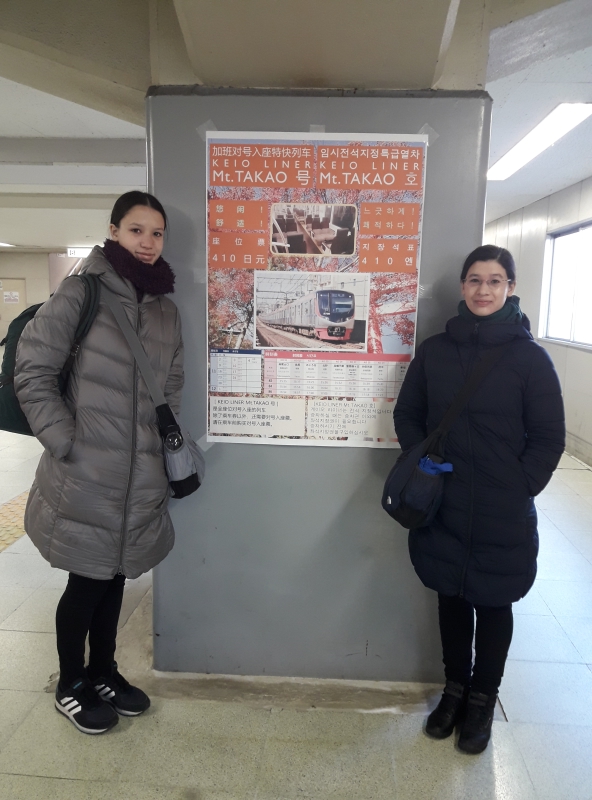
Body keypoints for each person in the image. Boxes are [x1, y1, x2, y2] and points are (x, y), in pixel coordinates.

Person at [14, 191, 183, 735]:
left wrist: (161, 449)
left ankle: (103, 672)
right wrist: (66, 441)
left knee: (116, 577)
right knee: (86, 581)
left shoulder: (165, 309)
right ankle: (71, 684)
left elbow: (171, 387)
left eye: (157, 233)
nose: (148, 242)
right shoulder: (81, 291)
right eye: (136, 230)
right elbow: (31, 371)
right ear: (113, 231)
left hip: (140, 474)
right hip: (86, 471)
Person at [393, 245, 565, 754]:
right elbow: (408, 413)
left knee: (493, 602)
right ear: (462, 286)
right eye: (474, 279)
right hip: (442, 499)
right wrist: (423, 463)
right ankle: (454, 690)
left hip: (501, 506)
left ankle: (483, 699)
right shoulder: (435, 351)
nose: (483, 290)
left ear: (510, 288)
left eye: (494, 280)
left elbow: (548, 437)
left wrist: (519, 485)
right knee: (450, 596)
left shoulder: (530, 359)